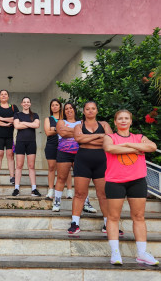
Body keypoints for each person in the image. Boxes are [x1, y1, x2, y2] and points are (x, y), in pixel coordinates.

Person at [103, 110, 159, 266]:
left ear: (131, 121)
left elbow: (152, 146)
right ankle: (115, 253)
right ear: (115, 122)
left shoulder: (139, 137)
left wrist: (127, 144)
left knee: (139, 216)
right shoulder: (110, 137)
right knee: (113, 217)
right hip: (115, 181)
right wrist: (137, 149)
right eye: (120, 118)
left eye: (126, 118)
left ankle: (141, 254)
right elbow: (110, 149)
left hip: (137, 181)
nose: (123, 121)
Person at [68, 101, 114, 234]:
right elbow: (78, 139)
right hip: (83, 161)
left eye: (93, 108)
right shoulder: (79, 125)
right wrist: (100, 136)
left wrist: (87, 138)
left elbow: (109, 140)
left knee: (103, 194)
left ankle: (107, 224)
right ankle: (75, 223)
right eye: (87, 109)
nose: (90, 111)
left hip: (102, 161)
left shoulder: (104, 124)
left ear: (97, 111)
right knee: (79, 193)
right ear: (83, 111)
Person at [52, 102, 81, 212]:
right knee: (61, 178)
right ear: (64, 112)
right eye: (66, 109)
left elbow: (83, 134)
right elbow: (62, 133)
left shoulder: (81, 122)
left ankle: (86, 203)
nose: (69, 110)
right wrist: (77, 132)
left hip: (79, 153)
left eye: (71, 108)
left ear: (74, 110)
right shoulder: (61, 122)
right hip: (64, 152)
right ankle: (57, 202)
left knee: (81, 180)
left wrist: (68, 130)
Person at [44, 98, 73, 199]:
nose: (55, 107)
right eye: (53, 105)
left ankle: (69, 191)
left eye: (57, 105)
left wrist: (55, 129)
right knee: (52, 168)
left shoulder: (65, 119)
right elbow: (48, 132)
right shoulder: (48, 119)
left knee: (66, 168)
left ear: (60, 106)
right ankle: (51, 190)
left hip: (65, 145)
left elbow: (69, 131)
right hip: (51, 145)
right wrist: (60, 129)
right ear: (51, 108)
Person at [12, 97, 41, 197]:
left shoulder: (35, 115)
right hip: (20, 142)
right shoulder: (17, 114)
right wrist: (30, 124)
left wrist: (23, 123)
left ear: (30, 104)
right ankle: (16, 188)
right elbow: (16, 126)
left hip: (31, 142)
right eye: (24, 102)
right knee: (19, 166)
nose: (26, 104)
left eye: (28, 102)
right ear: (21, 104)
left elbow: (37, 125)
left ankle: (34, 189)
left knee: (31, 166)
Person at [0, 90, 18, 185]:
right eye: (2, 94)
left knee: (10, 155)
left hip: (10, 136)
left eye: (5, 94)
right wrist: (6, 125)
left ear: (8, 97)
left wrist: (1, 118)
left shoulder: (13, 107)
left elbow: (16, 119)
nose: (4, 95)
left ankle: (12, 177)